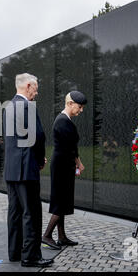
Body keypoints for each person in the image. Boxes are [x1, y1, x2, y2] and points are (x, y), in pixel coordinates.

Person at [3, 73, 52, 268]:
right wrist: (40, 159)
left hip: (12, 169)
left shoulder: (8, 107)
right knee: (31, 212)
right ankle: (30, 256)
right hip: (26, 168)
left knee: (15, 211)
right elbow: (38, 136)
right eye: (36, 87)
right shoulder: (27, 107)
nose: (37, 92)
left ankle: (15, 252)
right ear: (29, 86)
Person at [42, 91, 86, 249]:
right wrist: (78, 163)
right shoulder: (62, 121)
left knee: (64, 200)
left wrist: (77, 163)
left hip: (64, 164)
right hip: (62, 165)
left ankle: (61, 236)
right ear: (70, 104)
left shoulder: (65, 120)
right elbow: (70, 148)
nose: (81, 110)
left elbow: (72, 147)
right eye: (79, 107)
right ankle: (47, 235)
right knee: (61, 201)